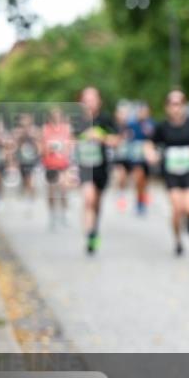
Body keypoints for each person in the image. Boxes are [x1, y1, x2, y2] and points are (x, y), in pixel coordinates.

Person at [145, 90, 189, 256]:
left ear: (184, 106)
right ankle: (178, 240)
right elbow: (149, 144)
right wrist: (151, 154)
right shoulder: (162, 127)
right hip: (171, 173)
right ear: (167, 107)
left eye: (179, 104)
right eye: (172, 104)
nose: (176, 108)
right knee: (177, 208)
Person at [76, 87, 119, 255]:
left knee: (97, 202)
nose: (89, 103)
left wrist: (101, 138)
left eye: (92, 99)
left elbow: (117, 140)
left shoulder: (106, 119)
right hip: (84, 166)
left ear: (99, 101)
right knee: (88, 199)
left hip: (102, 167)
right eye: (86, 100)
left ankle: (94, 228)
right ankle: (89, 232)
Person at [41, 106, 73, 229]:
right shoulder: (45, 129)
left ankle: (64, 214)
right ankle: (52, 216)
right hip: (50, 164)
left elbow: (70, 145)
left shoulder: (66, 129)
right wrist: (49, 149)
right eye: (54, 115)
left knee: (64, 189)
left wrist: (67, 150)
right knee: (51, 192)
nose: (56, 118)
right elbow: (42, 147)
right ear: (50, 117)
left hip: (64, 164)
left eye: (58, 115)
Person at [128, 103, 155, 215]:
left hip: (147, 155)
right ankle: (139, 202)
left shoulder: (151, 124)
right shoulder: (132, 124)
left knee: (144, 181)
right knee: (138, 177)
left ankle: (142, 200)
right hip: (136, 155)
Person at [13, 112, 41, 201]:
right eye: (23, 122)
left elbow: (40, 144)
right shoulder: (18, 131)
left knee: (31, 178)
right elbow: (15, 145)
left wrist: (33, 138)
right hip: (22, 159)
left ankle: (32, 197)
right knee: (25, 178)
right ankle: (26, 191)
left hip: (34, 159)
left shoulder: (35, 131)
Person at [112, 104, 132, 212]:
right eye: (121, 114)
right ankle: (120, 195)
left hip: (127, 156)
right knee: (120, 174)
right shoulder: (113, 126)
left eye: (125, 114)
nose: (123, 116)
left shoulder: (130, 127)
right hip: (116, 155)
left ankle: (121, 192)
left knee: (124, 178)